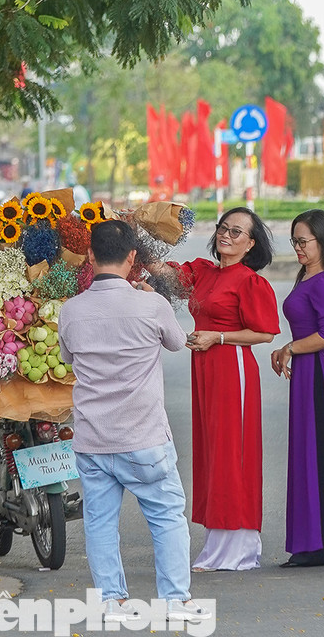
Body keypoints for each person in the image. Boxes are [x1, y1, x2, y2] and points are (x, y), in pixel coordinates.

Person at [58, 220, 211, 626]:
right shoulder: (151, 305)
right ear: (131, 258)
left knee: (100, 522)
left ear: (90, 257)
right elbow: (178, 342)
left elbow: (67, 358)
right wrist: (151, 297)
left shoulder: (70, 311)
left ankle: (112, 601)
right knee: (166, 517)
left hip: (92, 439)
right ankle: (175, 601)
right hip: (143, 437)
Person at [155, 207, 279, 571]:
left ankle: (238, 547)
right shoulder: (204, 273)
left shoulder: (250, 281)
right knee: (211, 451)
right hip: (205, 367)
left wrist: (219, 337)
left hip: (232, 367)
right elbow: (163, 273)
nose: (227, 235)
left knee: (231, 450)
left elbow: (266, 332)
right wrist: (137, 232)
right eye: (223, 228)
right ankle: (217, 542)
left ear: (251, 243)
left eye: (237, 232)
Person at [270, 210, 324, 568]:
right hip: (306, 372)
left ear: (323, 242)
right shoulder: (306, 276)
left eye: (304, 242)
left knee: (320, 457)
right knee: (307, 455)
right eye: (295, 241)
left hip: (318, 374)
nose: (298, 248)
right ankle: (311, 542)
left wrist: (289, 348)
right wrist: (288, 348)